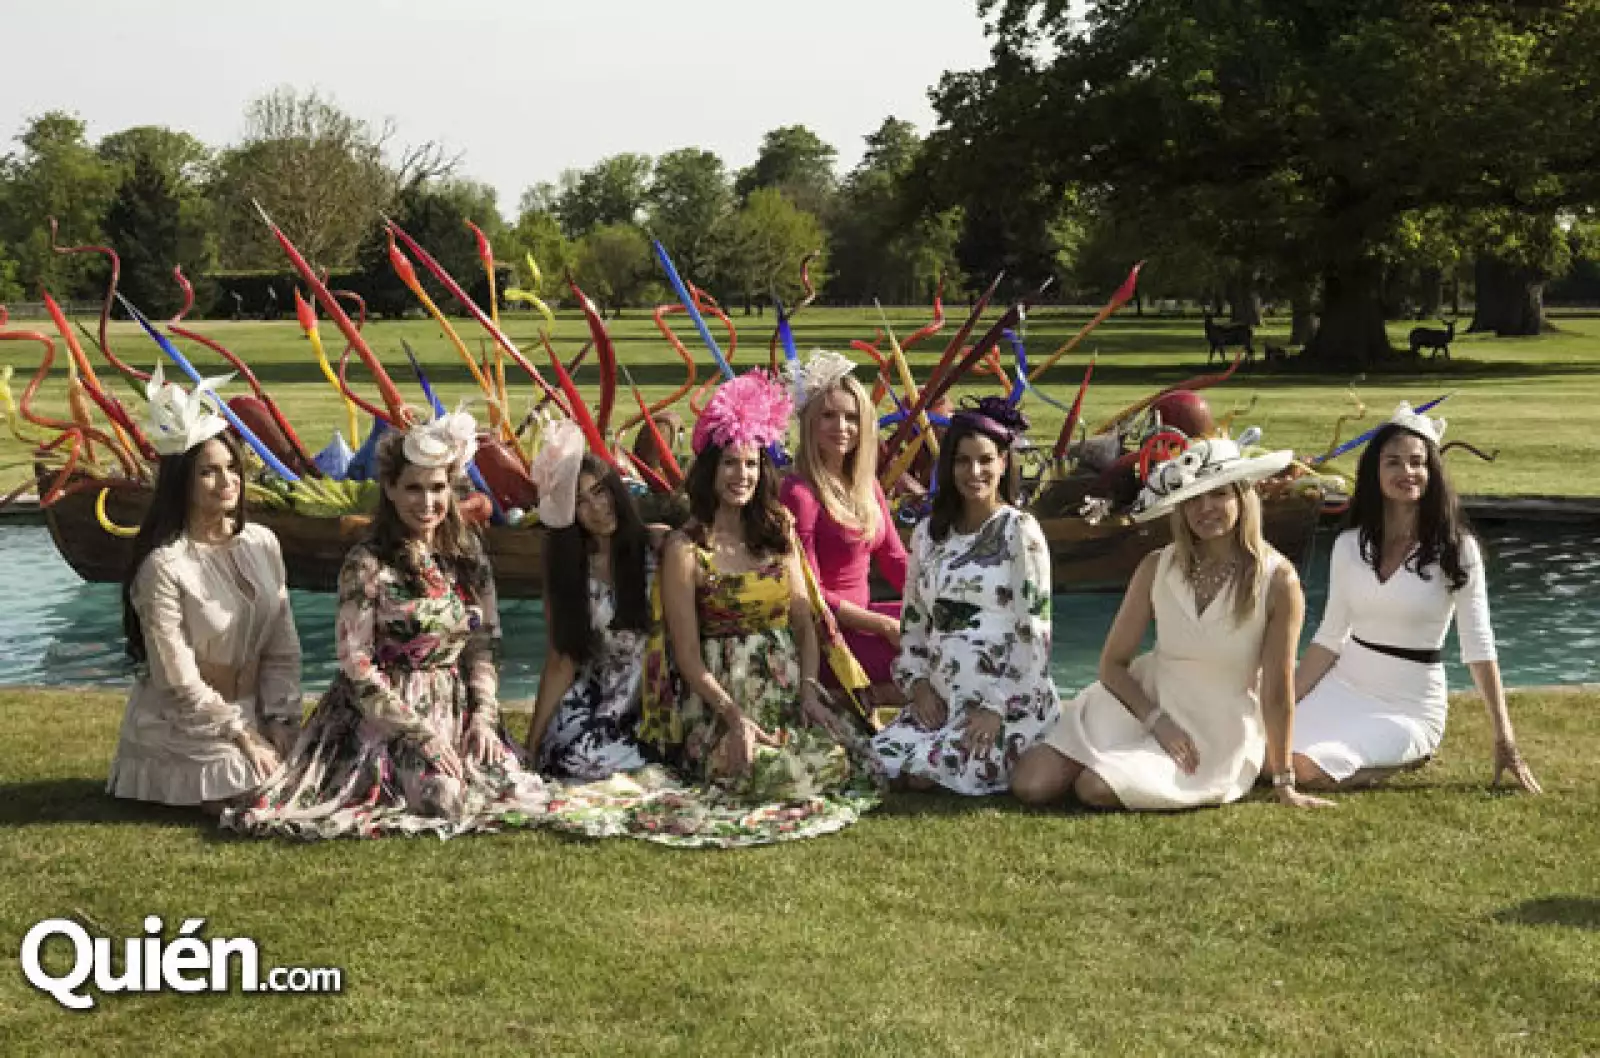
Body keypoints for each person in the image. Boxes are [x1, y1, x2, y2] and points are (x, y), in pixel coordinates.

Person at [546, 371, 881, 848]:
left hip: (785, 692)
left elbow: (804, 622)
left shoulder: (778, 530)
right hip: (718, 701)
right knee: (779, 774)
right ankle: (726, 752)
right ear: (710, 469)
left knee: (849, 759)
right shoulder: (686, 548)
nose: (741, 476)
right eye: (729, 464)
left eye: (750, 464)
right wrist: (733, 716)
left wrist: (809, 689)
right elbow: (687, 656)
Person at [226, 407, 547, 839]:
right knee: (444, 799)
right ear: (391, 489)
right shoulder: (366, 563)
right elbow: (355, 665)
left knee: (515, 789)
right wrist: (419, 735)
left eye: (437, 488)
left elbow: (484, 643)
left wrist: (485, 718)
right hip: (384, 717)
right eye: (414, 488)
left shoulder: (468, 555)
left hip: (455, 707)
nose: (427, 502)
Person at [1011, 432, 1332, 810]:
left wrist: (1284, 782)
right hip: (1142, 703)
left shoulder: (1278, 580)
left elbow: (1277, 690)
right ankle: (1108, 752)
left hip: (1213, 728)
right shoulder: (1156, 566)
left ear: (1242, 497)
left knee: (1094, 787)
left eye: (1218, 494)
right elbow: (1112, 665)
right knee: (1031, 784)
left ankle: (1116, 765)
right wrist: (1156, 720)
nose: (1205, 508)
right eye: (1193, 498)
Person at [1291, 404, 1541, 792]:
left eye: (1417, 462)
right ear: (1374, 472)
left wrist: (1504, 736)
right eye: (1393, 462)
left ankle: (1406, 755)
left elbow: (1478, 645)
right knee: (1263, 750)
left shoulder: (1457, 550)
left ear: (1432, 472)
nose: (1407, 472)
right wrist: (1283, 703)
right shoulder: (1348, 546)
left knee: (1306, 769)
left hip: (1408, 705)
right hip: (1345, 686)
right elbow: (1328, 638)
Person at [109, 366, 301, 811]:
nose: (227, 481)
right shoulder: (164, 566)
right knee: (255, 790)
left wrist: (282, 717)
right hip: (188, 721)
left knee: (308, 770)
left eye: (232, 468)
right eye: (208, 472)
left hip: (253, 708)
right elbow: (177, 678)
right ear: (182, 482)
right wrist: (240, 734)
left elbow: (282, 644)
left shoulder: (262, 543)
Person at [870, 398, 1061, 795]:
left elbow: (1035, 632)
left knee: (927, 772)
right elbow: (914, 624)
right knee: (878, 763)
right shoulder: (927, 535)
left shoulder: (1019, 531)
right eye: (963, 461)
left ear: (1003, 463)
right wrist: (919, 686)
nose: (974, 472)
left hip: (1007, 703)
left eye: (985, 460)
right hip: (941, 701)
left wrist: (997, 706)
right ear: (949, 466)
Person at [525, 422, 664, 780]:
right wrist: (532, 744)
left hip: (652, 699)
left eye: (601, 492)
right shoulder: (569, 571)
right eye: (580, 502)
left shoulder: (657, 548)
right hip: (595, 700)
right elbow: (561, 660)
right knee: (571, 757)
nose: (598, 508)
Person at [779, 350, 908, 700]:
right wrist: (883, 625)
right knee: (929, 656)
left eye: (851, 417)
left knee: (951, 631)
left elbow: (896, 560)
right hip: (827, 636)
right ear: (809, 423)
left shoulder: (867, 486)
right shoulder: (799, 493)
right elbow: (810, 593)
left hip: (864, 621)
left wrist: (937, 599)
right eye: (828, 416)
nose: (841, 427)